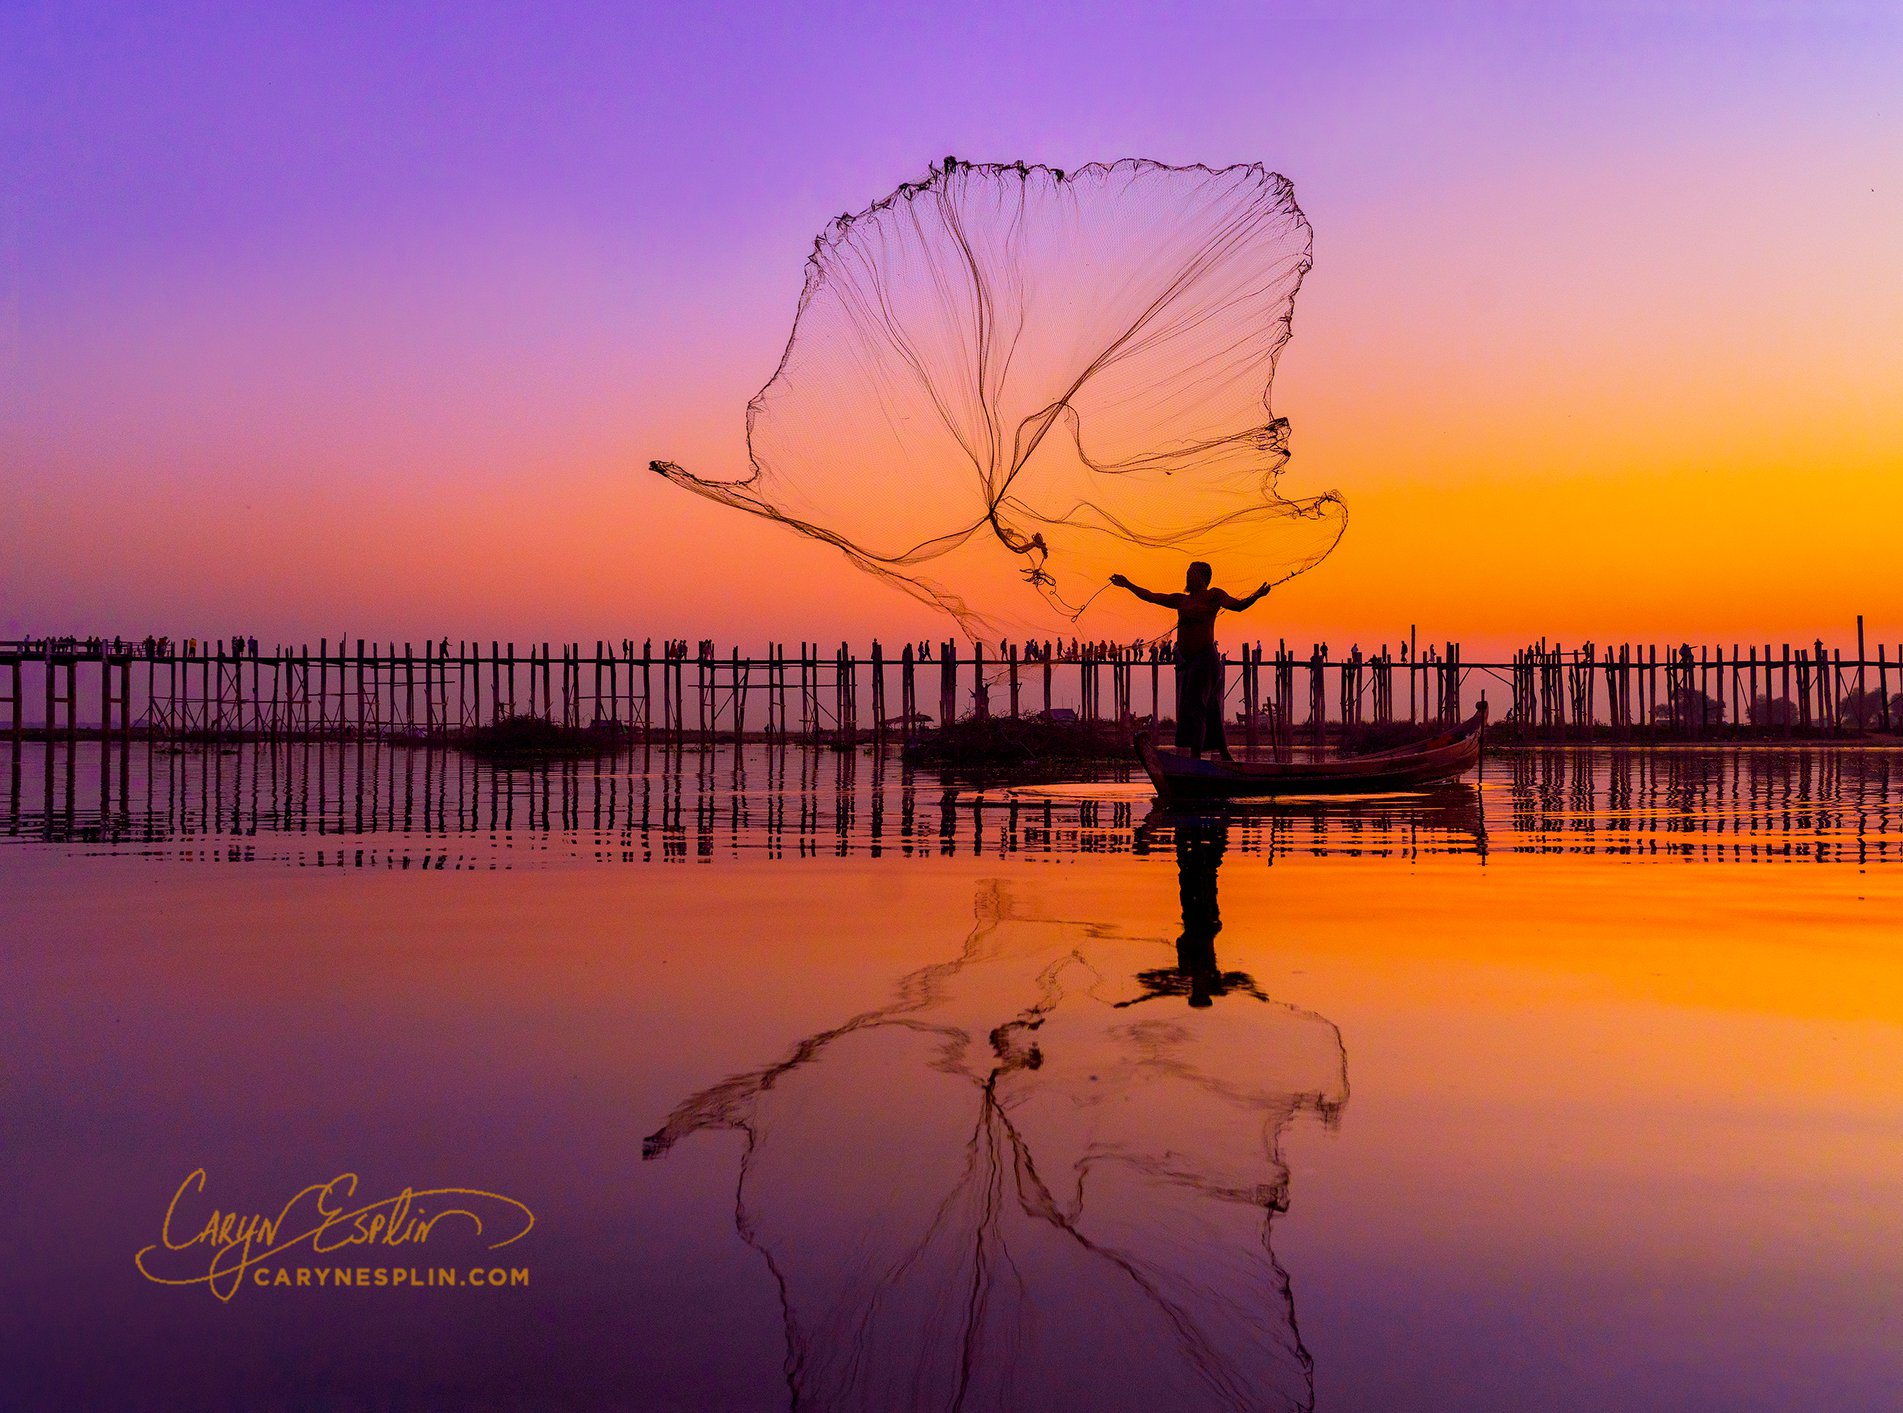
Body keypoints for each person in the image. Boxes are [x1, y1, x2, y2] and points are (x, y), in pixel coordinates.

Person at [1109, 561, 1269, 759]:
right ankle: (1223, 754)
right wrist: (1128, 584)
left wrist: (1257, 595)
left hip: (1206, 659)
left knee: (1196, 706)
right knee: (1209, 708)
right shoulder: (1181, 600)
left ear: (1203, 578)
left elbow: (1238, 606)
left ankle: (1195, 758)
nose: (1187, 576)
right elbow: (1151, 596)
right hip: (1191, 662)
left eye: (1191, 573)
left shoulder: (1214, 596)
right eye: (1186, 572)